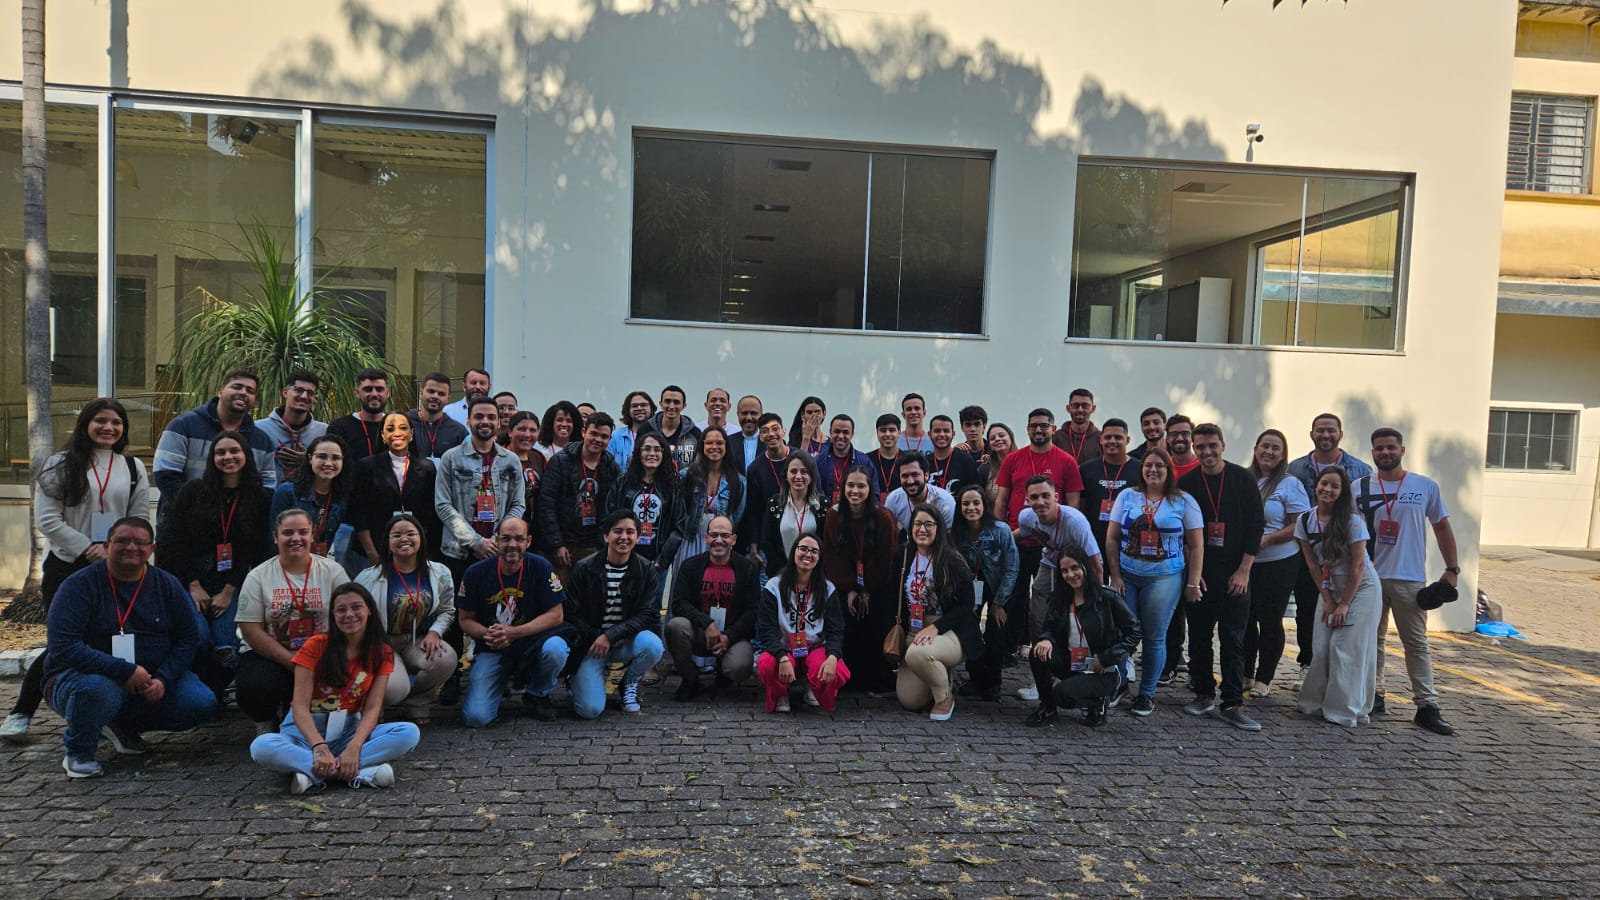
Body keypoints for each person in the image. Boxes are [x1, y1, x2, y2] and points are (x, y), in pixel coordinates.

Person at [4, 400, 151, 742]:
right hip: (67, 564)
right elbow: (47, 519)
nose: (108, 428)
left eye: (116, 422)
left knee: (108, 638)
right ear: (86, 424)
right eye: (101, 420)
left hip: (117, 566)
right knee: (64, 642)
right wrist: (88, 547)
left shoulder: (131, 467)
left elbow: (139, 517)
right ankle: (21, 711)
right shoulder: (59, 464)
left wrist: (115, 549)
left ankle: (106, 715)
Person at [44, 517, 217, 778]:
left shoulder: (166, 584)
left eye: (140, 543)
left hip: (149, 679)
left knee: (200, 702)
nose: (131, 548)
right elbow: (64, 646)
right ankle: (79, 753)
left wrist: (163, 679)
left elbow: (187, 639)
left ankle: (120, 725)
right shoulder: (78, 585)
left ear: (152, 549)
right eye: (122, 541)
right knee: (98, 689)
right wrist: (125, 671)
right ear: (107, 545)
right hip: (83, 678)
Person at [248, 582, 420, 792]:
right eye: (341, 610)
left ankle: (315, 772)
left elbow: (373, 707)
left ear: (369, 610)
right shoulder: (315, 646)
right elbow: (300, 706)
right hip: (305, 734)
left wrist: (355, 746)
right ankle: (358, 772)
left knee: (409, 732)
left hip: (349, 730)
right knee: (261, 746)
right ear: (333, 615)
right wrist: (319, 746)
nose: (349, 615)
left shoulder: (382, 651)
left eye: (356, 607)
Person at [1355, 428, 1460, 736]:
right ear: (1372, 453)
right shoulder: (1359, 487)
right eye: (1379, 448)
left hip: (1409, 578)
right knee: (1371, 641)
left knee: (1415, 643)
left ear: (1402, 450)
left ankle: (1427, 706)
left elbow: (1442, 528)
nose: (1385, 453)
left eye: (1390, 447)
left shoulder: (1424, 486)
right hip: (1369, 577)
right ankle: (1374, 695)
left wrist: (1452, 569)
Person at [156, 432, 275, 695]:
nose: (228, 457)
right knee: (198, 637)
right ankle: (195, 690)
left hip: (231, 578)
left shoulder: (259, 497)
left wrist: (229, 591)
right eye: (220, 452)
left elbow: (253, 550)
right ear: (212, 458)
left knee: (224, 645)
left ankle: (216, 693)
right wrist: (193, 585)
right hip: (190, 576)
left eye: (234, 451)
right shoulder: (193, 491)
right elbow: (173, 541)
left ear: (246, 455)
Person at [1175, 424, 1266, 731]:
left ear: (1223, 445)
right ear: (1194, 448)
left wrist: (1244, 571)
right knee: (1199, 638)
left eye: (1212, 445)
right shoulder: (1187, 483)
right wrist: (1194, 573)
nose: (1207, 452)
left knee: (1233, 639)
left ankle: (1231, 703)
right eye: (1200, 447)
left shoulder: (1242, 479)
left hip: (1235, 574)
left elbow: (1256, 526)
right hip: (1201, 574)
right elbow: (1182, 531)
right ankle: (1203, 694)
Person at [1104, 448, 1204, 717]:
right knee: (1122, 634)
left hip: (1164, 578)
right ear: (1141, 469)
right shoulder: (1127, 496)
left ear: (1169, 470)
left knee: (1153, 636)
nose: (1153, 470)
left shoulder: (1184, 501)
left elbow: (1196, 545)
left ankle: (1146, 694)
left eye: (1160, 465)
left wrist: (1193, 582)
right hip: (1127, 575)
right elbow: (1112, 538)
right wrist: (1115, 576)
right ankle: (1119, 685)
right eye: (1148, 465)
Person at [234, 509, 351, 731]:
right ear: (275, 537)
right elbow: (250, 628)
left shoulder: (332, 571)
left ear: (312, 535)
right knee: (254, 686)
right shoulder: (258, 576)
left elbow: (350, 617)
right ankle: (265, 721)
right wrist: (291, 660)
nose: (296, 538)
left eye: (302, 532)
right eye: (288, 533)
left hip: (321, 653)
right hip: (273, 655)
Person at [1284, 413, 1375, 690]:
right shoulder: (1295, 468)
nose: (1326, 435)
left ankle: (1342, 677)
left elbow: (1366, 514)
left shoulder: (1360, 469)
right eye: (1320, 430)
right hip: (1310, 553)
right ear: (1311, 434)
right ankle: (1308, 665)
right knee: (1307, 612)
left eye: (1331, 430)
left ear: (1340, 434)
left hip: (1346, 555)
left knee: (1346, 620)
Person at [456, 517, 571, 726]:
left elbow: (556, 615)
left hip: (533, 643)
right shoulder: (476, 572)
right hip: (493, 646)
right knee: (476, 718)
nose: (512, 544)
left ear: (529, 541)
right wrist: (489, 634)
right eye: (506, 538)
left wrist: (514, 633)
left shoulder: (541, 567)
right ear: (496, 540)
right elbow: (465, 619)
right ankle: (497, 685)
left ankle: (537, 693)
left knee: (557, 649)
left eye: (519, 539)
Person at [1294, 466, 1381, 729]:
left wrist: (1344, 604)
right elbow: (1312, 563)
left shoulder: (1353, 521)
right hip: (1329, 586)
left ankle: (1344, 709)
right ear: (1316, 486)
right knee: (1321, 647)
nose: (1327, 490)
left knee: (1346, 649)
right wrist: (1328, 598)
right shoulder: (1305, 521)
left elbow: (1358, 565)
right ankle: (1315, 702)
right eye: (1324, 483)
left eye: (1335, 486)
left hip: (1361, 588)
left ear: (1342, 492)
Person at [354, 514, 459, 722]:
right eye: (397, 535)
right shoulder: (369, 577)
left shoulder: (439, 573)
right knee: (394, 690)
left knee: (445, 658)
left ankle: (417, 701)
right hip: (382, 643)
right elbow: (356, 615)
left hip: (416, 641)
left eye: (411, 533)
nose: (404, 539)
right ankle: (374, 704)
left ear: (421, 538)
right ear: (387, 542)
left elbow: (447, 610)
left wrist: (435, 632)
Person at [563, 510, 666, 718]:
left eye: (630, 532)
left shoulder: (646, 570)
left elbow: (647, 614)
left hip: (624, 640)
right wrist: (598, 636)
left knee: (653, 645)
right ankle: (577, 677)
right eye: (617, 531)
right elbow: (571, 613)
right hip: (591, 644)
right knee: (589, 711)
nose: (624, 537)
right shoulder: (584, 568)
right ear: (606, 536)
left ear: (637, 537)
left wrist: (610, 636)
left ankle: (629, 682)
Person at [1026, 547, 1140, 728]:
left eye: (1075, 568)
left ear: (1085, 567)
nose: (1070, 575)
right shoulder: (1060, 598)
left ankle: (1098, 700)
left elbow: (1134, 631)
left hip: (1102, 667)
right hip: (1074, 660)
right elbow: (1050, 627)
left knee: (1062, 694)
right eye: (1064, 571)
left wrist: (1108, 657)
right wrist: (1046, 639)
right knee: (1037, 653)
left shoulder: (1107, 597)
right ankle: (1048, 707)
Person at [153, 370, 277, 523]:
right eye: (237, 387)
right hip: (183, 525)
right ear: (220, 391)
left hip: (237, 528)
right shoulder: (183, 426)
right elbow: (165, 475)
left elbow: (267, 487)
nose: (243, 393)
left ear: (254, 401)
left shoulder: (262, 441)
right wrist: (196, 511)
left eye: (250, 391)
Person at [893, 505, 981, 721]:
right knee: (910, 700)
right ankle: (938, 672)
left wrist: (936, 627)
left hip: (950, 630)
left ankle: (944, 697)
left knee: (917, 655)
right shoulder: (903, 555)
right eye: (917, 524)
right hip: (915, 630)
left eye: (928, 524)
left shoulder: (952, 559)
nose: (922, 529)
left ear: (938, 528)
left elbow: (966, 606)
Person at [1243, 430, 1311, 698]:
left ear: (1283, 455)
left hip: (1278, 562)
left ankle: (1264, 678)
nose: (1268, 452)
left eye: (1275, 448)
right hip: (1246, 562)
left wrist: (1269, 539)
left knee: (1270, 620)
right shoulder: (1244, 479)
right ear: (1255, 448)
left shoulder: (1289, 484)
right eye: (1265, 446)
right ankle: (1246, 673)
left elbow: (1299, 524)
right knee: (1245, 619)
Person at [822, 466, 900, 695]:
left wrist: (866, 589)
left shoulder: (883, 517)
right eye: (850, 485)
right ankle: (848, 677)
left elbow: (885, 558)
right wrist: (850, 588)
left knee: (874, 622)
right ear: (843, 488)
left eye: (861, 486)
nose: (855, 491)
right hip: (844, 583)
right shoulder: (834, 515)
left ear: (869, 489)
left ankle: (876, 679)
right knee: (846, 621)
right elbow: (833, 556)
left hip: (878, 584)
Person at [434, 396, 526, 588]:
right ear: (468, 421)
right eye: (479, 416)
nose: (485, 421)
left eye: (491, 417)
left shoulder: (511, 460)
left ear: (498, 422)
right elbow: (442, 505)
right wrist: (476, 542)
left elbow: (518, 504)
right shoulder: (450, 458)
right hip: (458, 552)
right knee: (459, 604)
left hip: (496, 550)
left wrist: (496, 540)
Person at [666, 515, 760, 700]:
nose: (719, 540)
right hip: (700, 632)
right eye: (714, 535)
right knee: (675, 626)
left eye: (725, 536)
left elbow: (753, 611)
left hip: (733, 636)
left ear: (734, 539)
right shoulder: (690, 566)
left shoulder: (747, 568)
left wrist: (728, 637)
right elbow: (679, 603)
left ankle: (724, 672)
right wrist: (707, 623)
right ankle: (690, 678)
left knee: (739, 666)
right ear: (706, 538)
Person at [755, 534, 849, 713]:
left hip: (815, 647)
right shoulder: (774, 586)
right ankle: (780, 691)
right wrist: (782, 657)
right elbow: (766, 629)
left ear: (819, 558)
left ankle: (813, 686)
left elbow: (836, 630)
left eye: (814, 551)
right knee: (767, 664)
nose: (808, 554)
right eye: (803, 549)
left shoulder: (828, 589)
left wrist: (832, 657)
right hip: (784, 648)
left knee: (834, 667)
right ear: (794, 553)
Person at [1016, 475, 1103, 659]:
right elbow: (1021, 533)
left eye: (1045, 496)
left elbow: (1095, 564)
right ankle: (1039, 656)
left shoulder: (1075, 521)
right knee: (1037, 609)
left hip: (1077, 568)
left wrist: (1098, 597)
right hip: (1049, 563)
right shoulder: (1026, 517)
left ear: (1056, 497)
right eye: (1034, 497)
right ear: (1027, 500)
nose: (1040, 502)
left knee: (1074, 611)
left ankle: (1082, 656)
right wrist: (998, 535)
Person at [606, 432, 690, 605]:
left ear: (664, 454)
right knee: (620, 605)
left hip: (656, 562)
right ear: (639, 453)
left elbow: (679, 526)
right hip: (624, 556)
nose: (652, 454)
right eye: (647, 449)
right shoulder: (623, 481)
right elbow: (610, 516)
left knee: (652, 607)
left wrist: (662, 561)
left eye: (657, 449)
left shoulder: (672, 486)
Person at [952, 483, 1018, 703]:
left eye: (976, 503)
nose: (971, 508)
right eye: (966, 503)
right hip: (970, 588)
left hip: (999, 587)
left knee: (995, 632)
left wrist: (999, 603)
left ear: (984, 505)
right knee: (970, 631)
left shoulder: (1001, 530)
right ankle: (975, 678)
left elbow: (1011, 567)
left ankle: (993, 682)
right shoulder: (956, 533)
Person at [350, 412, 443, 568]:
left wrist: (425, 552)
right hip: (375, 548)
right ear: (383, 435)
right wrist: (371, 552)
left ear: (411, 434)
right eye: (390, 429)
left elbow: (431, 515)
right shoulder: (366, 466)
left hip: (413, 548)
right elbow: (359, 513)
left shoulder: (427, 468)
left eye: (403, 428)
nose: (397, 433)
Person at [537, 412, 621, 584]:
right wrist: (557, 544)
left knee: (588, 594)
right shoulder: (561, 461)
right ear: (583, 432)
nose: (598, 440)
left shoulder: (611, 467)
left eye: (604, 436)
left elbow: (614, 508)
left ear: (610, 439)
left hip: (592, 545)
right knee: (559, 593)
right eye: (594, 434)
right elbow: (546, 503)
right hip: (563, 543)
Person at [269, 434, 356, 572]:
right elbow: (273, 536)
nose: (328, 463)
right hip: (286, 565)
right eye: (322, 457)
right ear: (310, 459)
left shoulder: (342, 495)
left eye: (336, 458)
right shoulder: (287, 491)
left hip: (320, 566)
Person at [1157, 414, 1200, 679]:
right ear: (1167, 437)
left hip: (1198, 548)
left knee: (1197, 611)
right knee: (1170, 611)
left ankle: (1199, 668)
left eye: (1185, 433)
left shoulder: (1201, 466)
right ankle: (1170, 662)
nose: (1179, 438)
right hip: (1168, 551)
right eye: (1174, 433)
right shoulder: (1162, 468)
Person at [677, 426, 747, 566]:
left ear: (726, 446)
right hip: (691, 539)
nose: (714, 447)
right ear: (702, 446)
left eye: (719, 443)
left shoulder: (738, 481)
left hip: (720, 543)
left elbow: (737, 516)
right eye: (709, 443)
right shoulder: (686, 476)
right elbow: (679, 512)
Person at [757, 451, 824, 578]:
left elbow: (825, 544)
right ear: (786, 476)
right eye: (793, 471)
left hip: (813, 575)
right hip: (781, 575)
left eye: (804, 472)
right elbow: (768, 542)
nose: (798, 476)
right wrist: (784, 573)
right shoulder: (774, 504)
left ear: (811, 476)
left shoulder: (822, 506)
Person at [1077, 418, 1136, 562]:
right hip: (1094, 541)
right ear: (1101, 440)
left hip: (1128, 542)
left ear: (1127, 440)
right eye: (1108, 437)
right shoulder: (1086, 469)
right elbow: (1081, 506)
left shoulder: (1139, 469)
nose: (1112, 441)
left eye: (1118, 437)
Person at [255, 370, 327, 484]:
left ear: (314, 398)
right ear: (285, 392)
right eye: (298, 390)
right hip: (268, 493)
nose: (304, 396)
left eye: (310, 393)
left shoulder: (323, 432)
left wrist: (310, 461)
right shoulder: (260, 428)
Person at [740, 412, 793, 559]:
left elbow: (816, 495)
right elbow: (753, 511)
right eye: (765, 431)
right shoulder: (755, 469)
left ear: (784, 431)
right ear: (760, 437)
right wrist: (753, 546)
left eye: (775, 429)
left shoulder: (801, 459)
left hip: (801, 533)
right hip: (770, 540)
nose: (771, 434)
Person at [327, 368, 391, 461]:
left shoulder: (397, 426)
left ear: (387, 393)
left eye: (379, 389)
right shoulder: (339, 428)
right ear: (357, 393)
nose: (374, 394)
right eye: (368, 389)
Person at [815, 414, 877, 506]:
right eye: (836, 431)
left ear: (852, 434)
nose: (841, 436)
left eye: (845, 432)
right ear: (830, 432)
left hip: (856, 512)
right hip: (825, 512)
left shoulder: (865, 462)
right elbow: (812, 492)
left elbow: (875, 494)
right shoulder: (818, 461)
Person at [884, 452, 956, 529]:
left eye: (915, 475)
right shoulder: (893, 500)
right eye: (905, 476)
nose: (910, 481)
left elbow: (950, 535)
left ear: (926, 475)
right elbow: (888, 531)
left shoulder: (944, 502)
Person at [408, 372, 469, 459]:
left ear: (448, 399)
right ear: (421, 393)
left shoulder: (458, 432)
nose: (435, 396)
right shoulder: (405, 424)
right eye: (431, 391)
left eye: (441, 394)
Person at [646, 385, 702, 472]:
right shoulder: (646, 430)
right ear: (661, 404)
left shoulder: (695, 433)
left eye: (676, 402)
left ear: (684, 406)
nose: (671, 406)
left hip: (686, 480)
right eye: (667, 401)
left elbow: (700, 466)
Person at [506, 410, 546, 529]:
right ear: (510, 432)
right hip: (511, 526)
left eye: (533, 430)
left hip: (537, 527)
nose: (527, 435)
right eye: (522, 429)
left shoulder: (539, 457)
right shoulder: (500, 458)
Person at [926, 415, 981, 495]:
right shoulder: (924, 463)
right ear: (929, 434)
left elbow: (975, 492)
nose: (942, 434)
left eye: (946, 431)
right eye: (937, 431)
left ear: (953, 434)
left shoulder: (966, 461)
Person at [608, 390, 656, 470]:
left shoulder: (659, 435)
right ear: (628, 410)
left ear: (651, 409)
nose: (639, 408)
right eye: (634, 406)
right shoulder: (615, 436)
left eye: (644, 405)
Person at [1052, 388, 1101, 464]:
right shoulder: (1056, 438)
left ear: (1093, 409)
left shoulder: (1102, 439)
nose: (1080, 409)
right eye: (1076, 405)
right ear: (1068, 408)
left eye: (1085, 406)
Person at [867, 414, 904, 502]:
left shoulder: (908, 460)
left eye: (892, 430)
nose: (887, 434)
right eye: (883, 430)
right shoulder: (867, 460)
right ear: (877, 433)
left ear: (899, 433)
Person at [727, 395, 763, 475]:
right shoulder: (728, 442)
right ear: (738, 415)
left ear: (761, 415)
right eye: (744, 413)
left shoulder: (770, 443)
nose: (749, 418)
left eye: (753, 413)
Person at [980, 423, 1015, 501]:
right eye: (992, 438)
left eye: (1001, 435)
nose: (997, 439)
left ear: (1011, 438)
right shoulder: (985, 469)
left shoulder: (1024, 462)